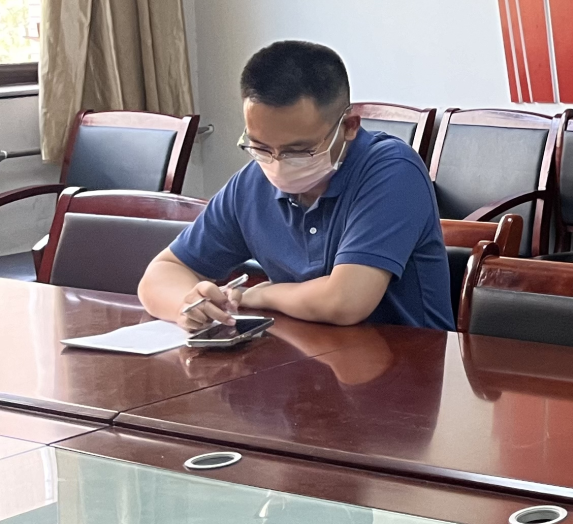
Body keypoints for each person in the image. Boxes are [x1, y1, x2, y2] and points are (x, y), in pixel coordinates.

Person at [138, 41, 452, 330]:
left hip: (408, 363)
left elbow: (345, 302)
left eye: (299, 150)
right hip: (303, 359)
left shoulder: (392, 170)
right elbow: (160, 274)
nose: (277, 163)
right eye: (261, 147)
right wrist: (187, 305)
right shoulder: (251, 184)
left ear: (348, 127)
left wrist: (260, 295)